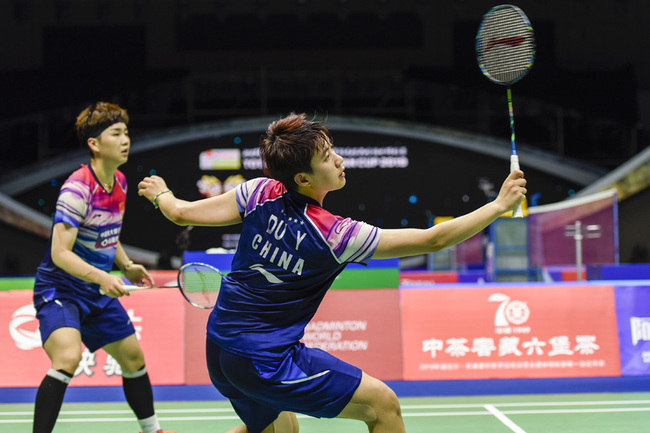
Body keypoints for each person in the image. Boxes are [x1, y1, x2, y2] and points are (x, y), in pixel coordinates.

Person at [137, 112, 527, 433]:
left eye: (332, 150)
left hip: (221, 350)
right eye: (327, 157)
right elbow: (433, 240)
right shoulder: (336, 235)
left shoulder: (257, 194)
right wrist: (497, 206)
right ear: (303, 178)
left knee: (279, 431)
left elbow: (179, 212)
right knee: (382, 405)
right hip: (264, 359)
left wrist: (160, 193)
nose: (338, 160)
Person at [32, 102, 176, 433]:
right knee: (67, 358)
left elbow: (107, 234)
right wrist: (102, 276)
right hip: (62, 289)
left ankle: (152, 431)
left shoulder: (121, 182)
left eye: (126, 132)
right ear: (95, 144)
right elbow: (60, 252)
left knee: (133, 358)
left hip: (96, 291)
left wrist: (125, 265)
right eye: (116, 133)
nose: (126, 139)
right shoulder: (77, 188)